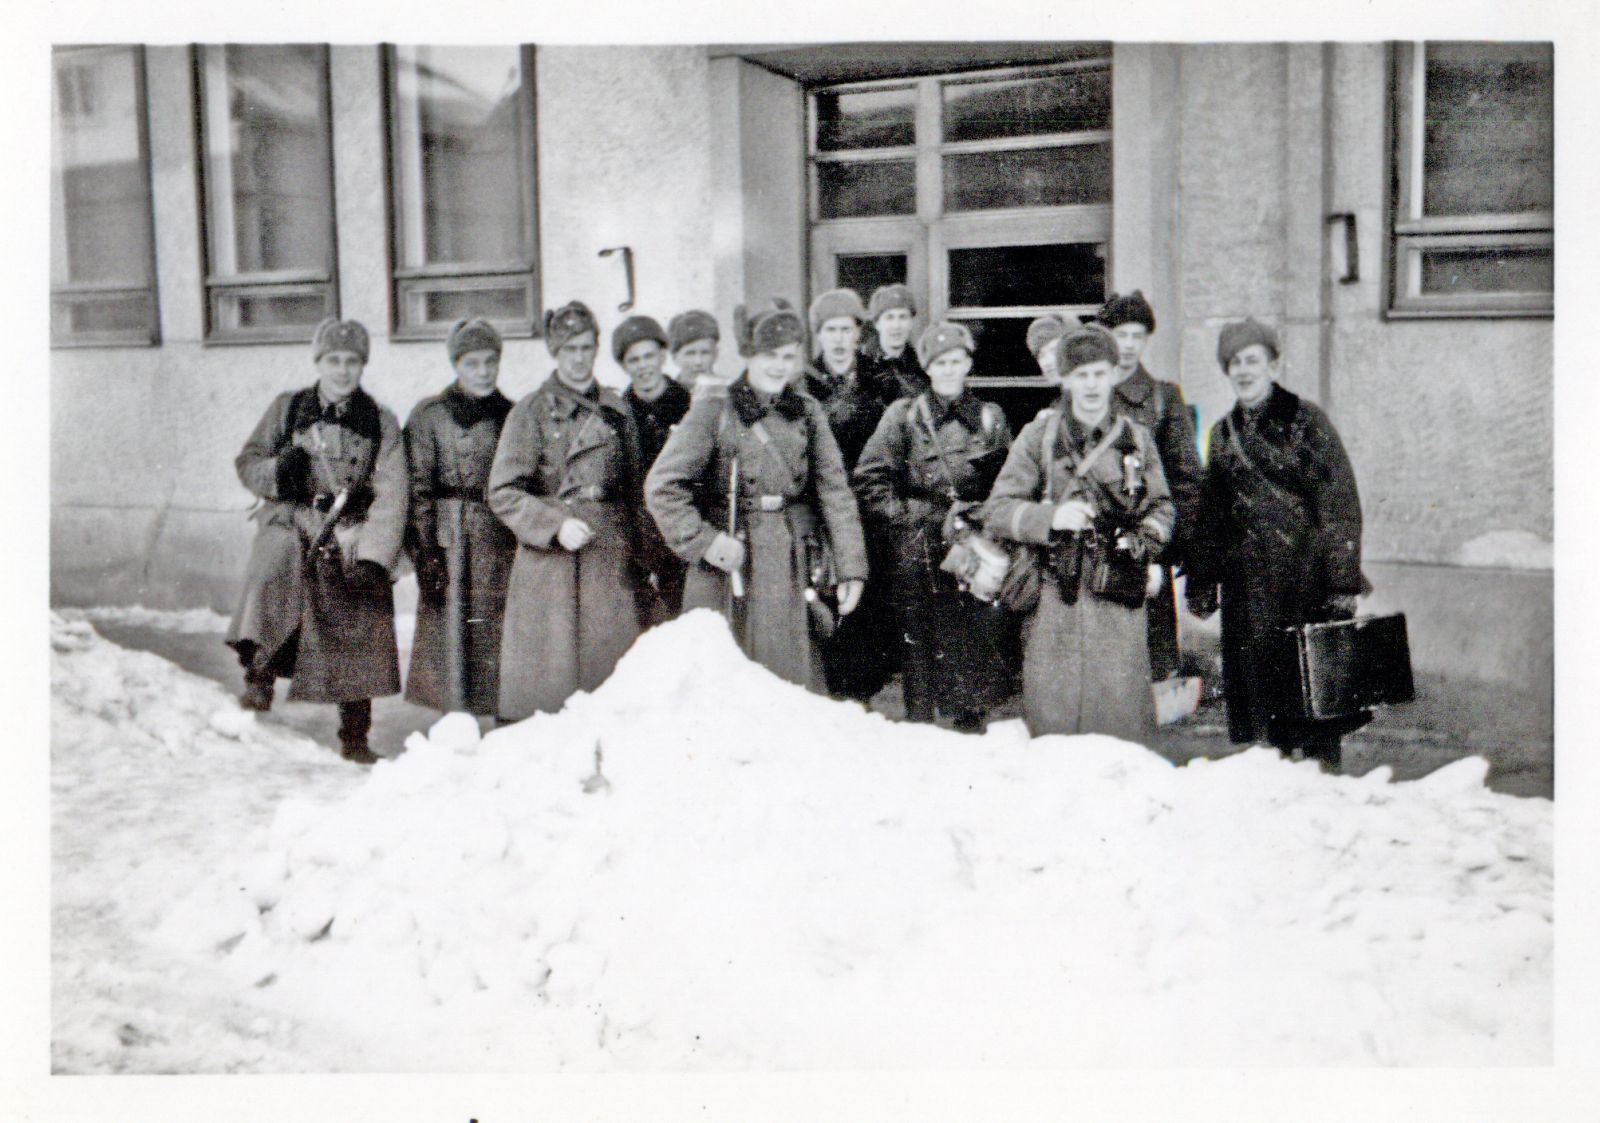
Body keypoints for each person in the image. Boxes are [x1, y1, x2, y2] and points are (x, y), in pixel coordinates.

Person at [645, 298, 868, 690]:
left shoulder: (807, 411)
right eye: (769, 355)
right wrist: (706, 542)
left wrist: (851, 568)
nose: (779, 366)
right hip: (731, 562)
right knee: (725, 683)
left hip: (789, 559)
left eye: (788, 356)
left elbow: (835, 491)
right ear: (749, 354)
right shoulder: (716, 408)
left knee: (787, 677)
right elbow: (662, 486)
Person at [1184, 318, 1365, 771]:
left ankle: (1324, 783)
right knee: (1262, 703)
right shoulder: (1223, 433)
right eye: (1234, 363)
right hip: (1247, 589)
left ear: (1273, 365)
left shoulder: (1306, 421)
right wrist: (1202, 581)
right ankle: (1274, 778)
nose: (1243, 371)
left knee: (1314, 699)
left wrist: (1342, 584)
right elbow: (1212, 515)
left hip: (1305, 583)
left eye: (1253, 361)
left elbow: (1338, 502)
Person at [225, 317, 406, 764]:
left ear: (362, 365)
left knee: (359, 609)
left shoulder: (380, 421)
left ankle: (355, 733)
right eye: (333, 360)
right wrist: (277, 472)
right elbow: (248, 461)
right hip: (293, 517)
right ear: (319, 362)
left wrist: (374, 556)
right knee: (274, 564)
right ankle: (258, 676)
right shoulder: (289, 408)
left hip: (348, 526)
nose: (342, 370)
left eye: (351, 362)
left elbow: (393, 491)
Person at [983, 324, 1174, 741]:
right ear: (1066, 379)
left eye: (1099, 373)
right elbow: (997, 510)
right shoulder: (1039, 437)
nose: (1091, 385)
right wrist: (1052, 517)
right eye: (1081, 375)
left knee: (1120, 729)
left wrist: (1142, 540)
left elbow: (1162, 507)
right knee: (1056, 727)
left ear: (1114, 375)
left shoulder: (1136, 439)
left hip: (1118, 599)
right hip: (1056, 599)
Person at [487, 301, 645, 722]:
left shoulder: (617, 410)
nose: (578, 358)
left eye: (586, 347)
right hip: (549, 562)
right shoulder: (531, 411)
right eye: (569, 349)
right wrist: (554, 525)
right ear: (554, 352)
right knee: (548, 678)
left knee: (607, 673)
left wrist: (639, 552)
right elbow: (503, 491)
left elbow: (635, 491)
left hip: (607, 552)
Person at [854, 322, 1014, 731]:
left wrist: (982, 517)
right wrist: (916, 515)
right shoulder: (904, 416)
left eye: (956, 361)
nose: (949, 370)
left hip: (972, 548)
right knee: (919, 650)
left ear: (968, 364)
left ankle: (970, 729)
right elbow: (870, 481)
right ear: (926, 367)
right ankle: (921, 733)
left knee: (974, 647)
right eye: (940, 363)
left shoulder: (990, 418)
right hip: (919, 550)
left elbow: (1009, 486)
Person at [401, 317, 517, 718]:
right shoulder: (430, 416)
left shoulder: (512, 415)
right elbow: (418, 488)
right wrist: (424, 552)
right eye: (472, 363)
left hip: (498, 538)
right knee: (449, 632)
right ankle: (453, 719)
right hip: (448, 540)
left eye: (490, 362)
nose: (483, 372)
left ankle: (502, 721)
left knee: (495, 629)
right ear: (456, 365)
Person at [1096, 290, 1204, 683]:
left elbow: (1187, 479)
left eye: (1137, 336)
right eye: (1120, 334)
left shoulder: (1162, 399)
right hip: (1094, 545)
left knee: (1149, 668)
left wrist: (1178, 547)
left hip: (1146, 545)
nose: (1128, 345)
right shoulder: (1086, 391)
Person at [801, 288, 898, 702]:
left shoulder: (883, 384)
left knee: (867, 612)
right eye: (830, 330)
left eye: (846, 329)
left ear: (859, 333)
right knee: (823, 609)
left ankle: (863, 701)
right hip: (821, 515)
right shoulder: (802, 387)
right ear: (818, 335)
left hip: (870, 514)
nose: (839, 339)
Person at [616, 314, 692, 625]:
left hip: (683, 531)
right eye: (633, 359)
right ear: (624, 365)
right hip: (637, 537)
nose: (643, 366)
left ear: (662, 355)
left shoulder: (689, 406)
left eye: (649, 356)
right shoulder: (618, 414)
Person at [858, 283, 928, 405]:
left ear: (911, 322)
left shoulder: (922, 366)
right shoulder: (860, 364)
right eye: (889, 318)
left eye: (903, 317)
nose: (896, 325)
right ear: (877, 323)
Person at [667, 309, 725, 397]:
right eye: (690, 353)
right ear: (674, 357)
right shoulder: (664, 397)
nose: (698, 362)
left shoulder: (730, 393)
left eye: (705, 352)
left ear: (716, 354)